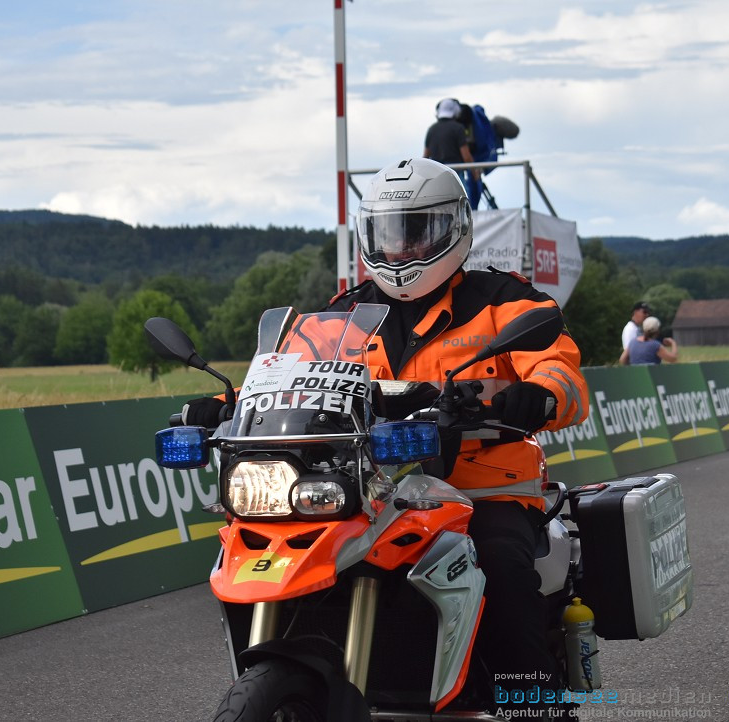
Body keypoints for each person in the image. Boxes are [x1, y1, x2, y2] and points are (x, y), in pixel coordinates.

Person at [185, 158, 587, 717]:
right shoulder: (339, 316)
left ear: (454, 229)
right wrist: (229, 406)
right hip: (373, 489)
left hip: (482, 489)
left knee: (500, 569)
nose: (399, 250)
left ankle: (533, 707)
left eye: (415, 232)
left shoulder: (507, 301)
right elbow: (285, 380)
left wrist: (535, 396)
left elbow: (562, 375)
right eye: (389, 234)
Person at [423, 98, 481, 201]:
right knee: (462, 205)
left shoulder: (431, 129)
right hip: (456, 176)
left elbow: (425, 157)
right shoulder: (458, 128)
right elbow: (466, 156)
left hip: (437, 177)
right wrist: (475, 172)